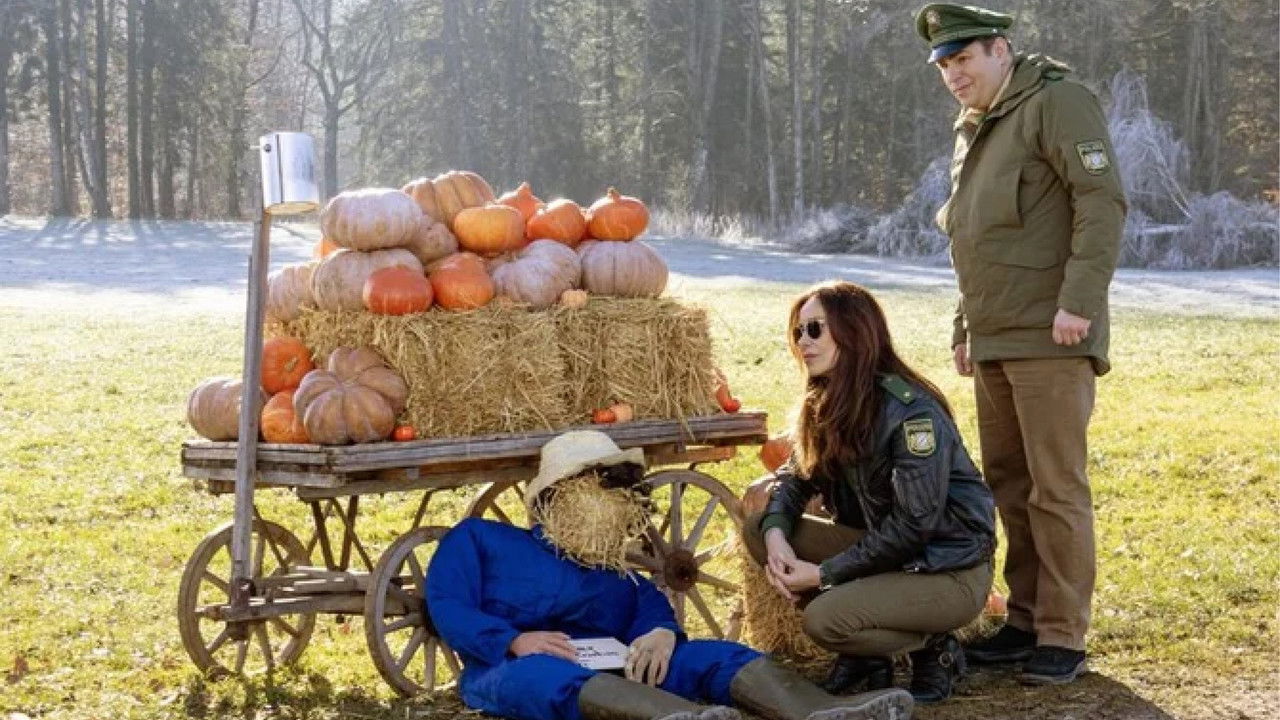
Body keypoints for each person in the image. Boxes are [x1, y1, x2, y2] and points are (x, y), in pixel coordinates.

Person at [913, 3, 1126, 685]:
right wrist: (965, 327)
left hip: (1052, 334)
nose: (953, 74)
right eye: (944, 65)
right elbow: (972, 237)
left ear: (1000, 50)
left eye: (963, 59)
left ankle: (1063, 633)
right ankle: (1026, 619)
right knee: (1010, 484)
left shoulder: (1056, 102)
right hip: (995, 335)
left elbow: (1101, 201)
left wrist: (1079, 303)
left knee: (1055, 488)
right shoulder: (975, 125)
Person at [425, 429, 915, 720]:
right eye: (596, 486)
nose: (612, 500)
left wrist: (659, 632)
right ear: (557, 496)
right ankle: (682, 717)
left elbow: (646, 603)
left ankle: (818, 711)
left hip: (620, 663)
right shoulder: (479, 539)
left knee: (716, 654)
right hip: (513, 667)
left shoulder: (612, 567)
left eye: (617, 489)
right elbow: (447, 604)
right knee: (547, 678)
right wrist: (514, 641)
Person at [741, 281, 997, 705]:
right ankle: (866, 655)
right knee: (757, 530)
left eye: (815, 329)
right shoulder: (829, 398)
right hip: (886, 551)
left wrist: (824, 574)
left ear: (854, 331)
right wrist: (776, 535)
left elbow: (915, 526)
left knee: (824, 621)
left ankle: (935, 647)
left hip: (946, 565)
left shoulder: (911, 412)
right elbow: (795, 476)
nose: (803, 342)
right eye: (799, 331)